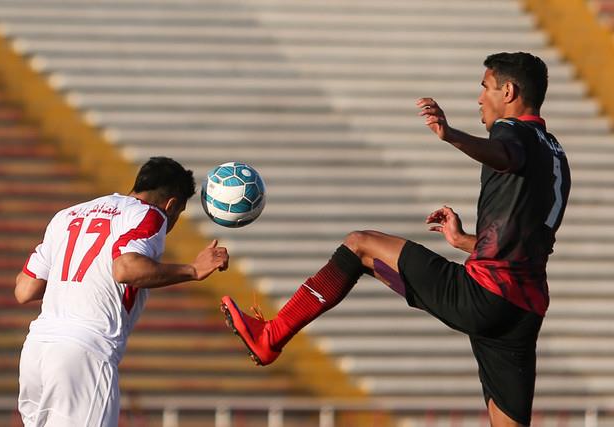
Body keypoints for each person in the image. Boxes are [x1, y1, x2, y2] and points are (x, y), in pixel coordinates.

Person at [220, 52, 571, 426]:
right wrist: (465, 240)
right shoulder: (555, 153)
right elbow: (531, 242)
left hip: (485, 296)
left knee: (360, 245)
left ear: (509, 91)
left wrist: (449, 135)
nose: (479, 98)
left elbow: (505, 155)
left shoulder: (512, 133)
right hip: (524, 311)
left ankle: (270, 336)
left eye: (485, 87)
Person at [15, 156, 229, 427]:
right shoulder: (150, 214)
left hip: (36, 351)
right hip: (84, 352)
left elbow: (25, 288)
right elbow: (126, 269)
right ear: (171, 204)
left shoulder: (67, 215)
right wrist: (193, 270)